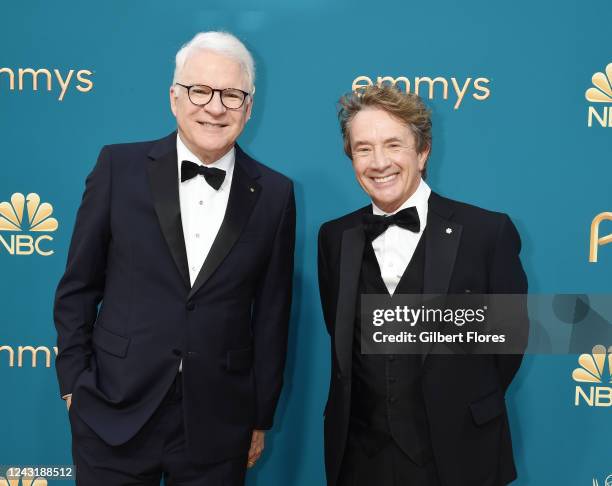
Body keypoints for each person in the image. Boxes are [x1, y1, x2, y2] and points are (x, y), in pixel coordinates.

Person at [54, 31, 295, 486]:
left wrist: (259, 417)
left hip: (219, 423)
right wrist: (74, 387)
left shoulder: (275, 193)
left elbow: (271, 315)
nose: (215, 106)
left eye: (231, 94)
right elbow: (78, 287)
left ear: (249, 105)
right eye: (200, 90)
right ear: (174, 97)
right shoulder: (117, 168)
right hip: (113, 411)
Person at [317, 85, 528, 486]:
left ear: (423, 151)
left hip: (459, 454)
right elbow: (340, 333)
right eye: (363, 149)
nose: (379, 162)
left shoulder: (487, 232)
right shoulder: (334, 237)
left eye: (393, 145)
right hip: (361, 459)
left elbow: (509, 346)